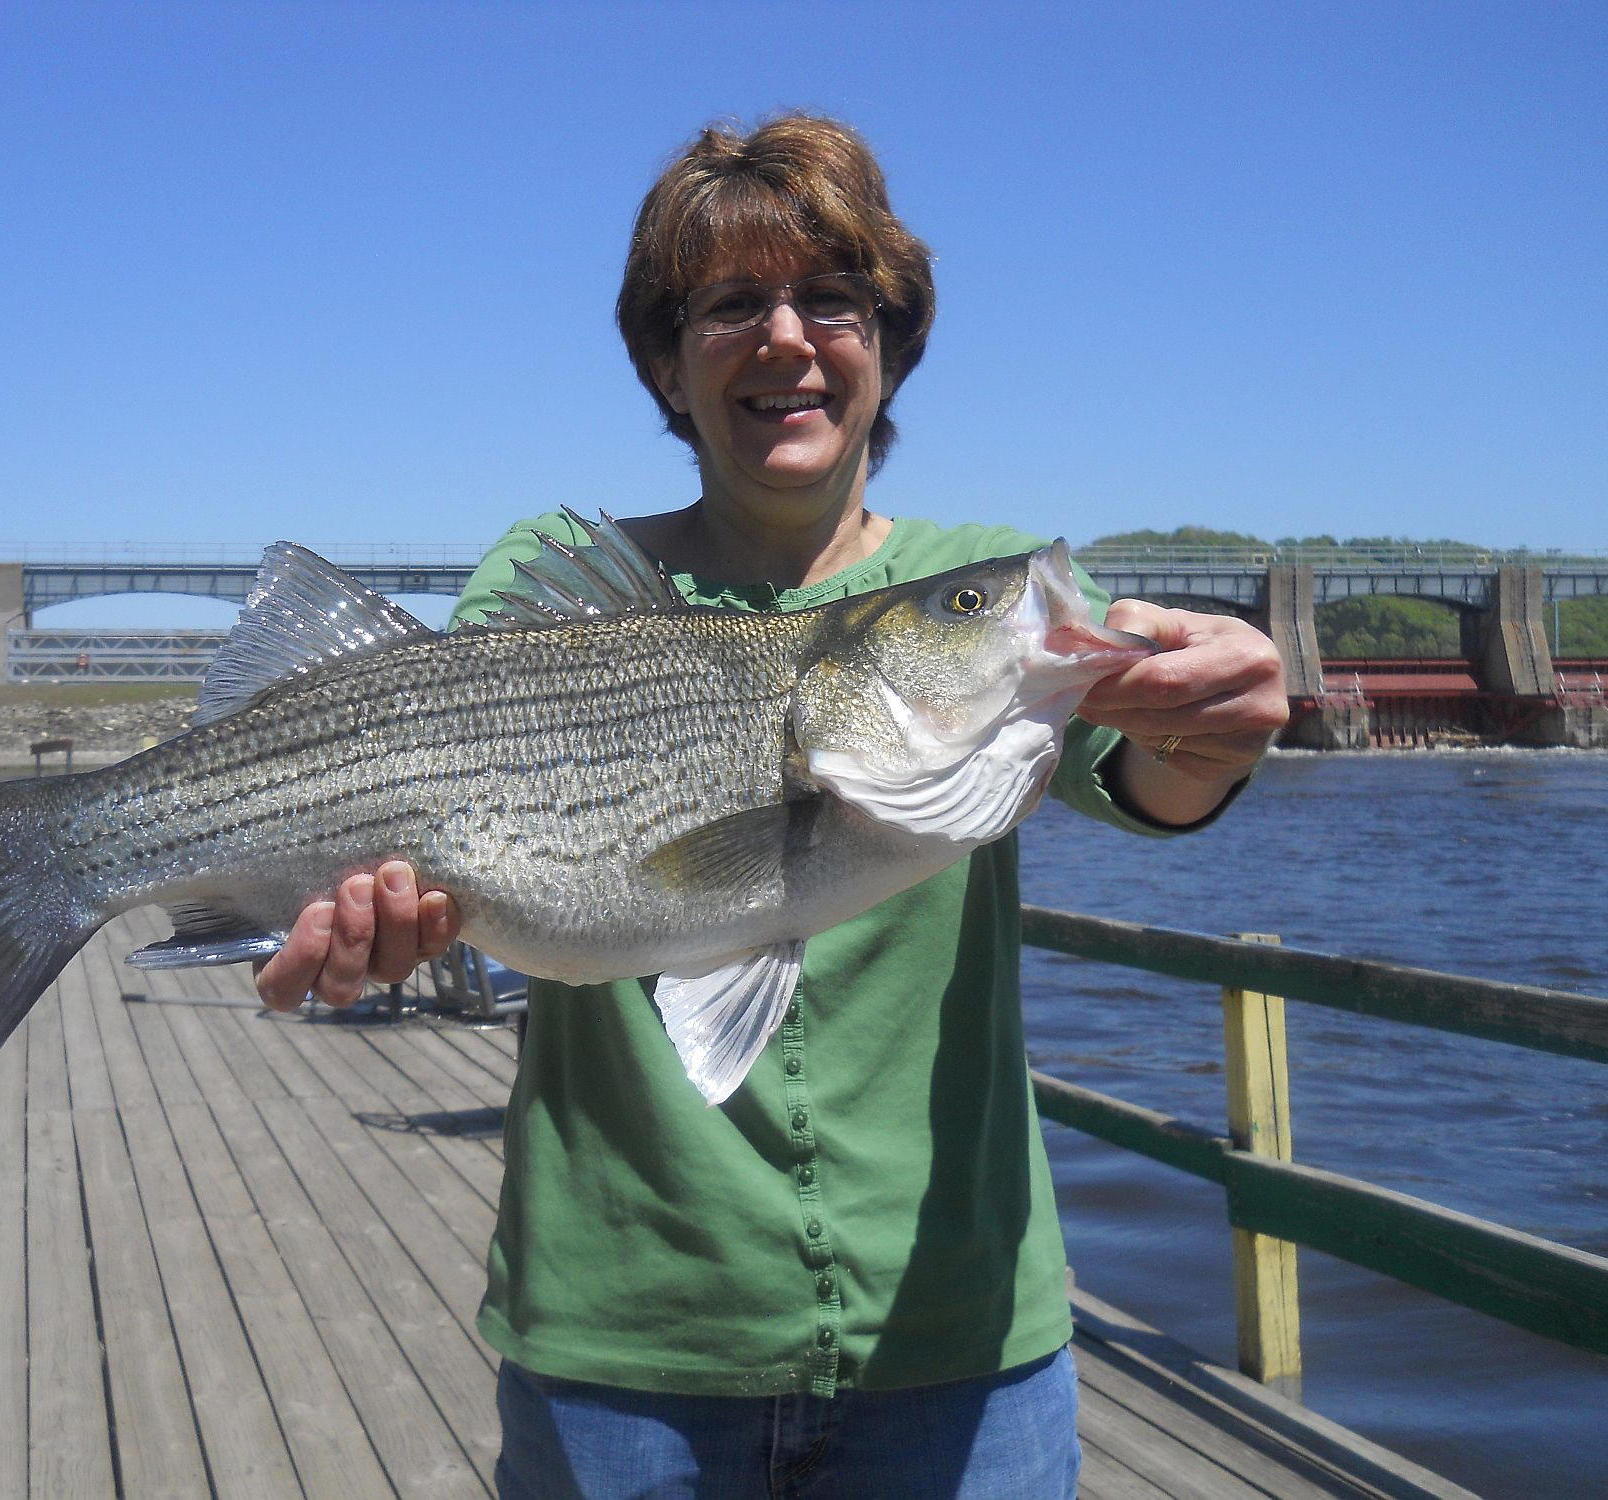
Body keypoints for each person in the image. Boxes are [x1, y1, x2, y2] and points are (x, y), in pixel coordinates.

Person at [257, 114, 1287, 1498]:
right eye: (732, 302)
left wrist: (1212, 736)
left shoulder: (990, 585)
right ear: (662, 362)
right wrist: (372, 921)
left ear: (893, 341)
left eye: (834, 299)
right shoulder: (554, 583)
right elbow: (413, 834)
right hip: (621, 1353)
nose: (787, 339)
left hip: (960, 1351)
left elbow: (1152, 778)